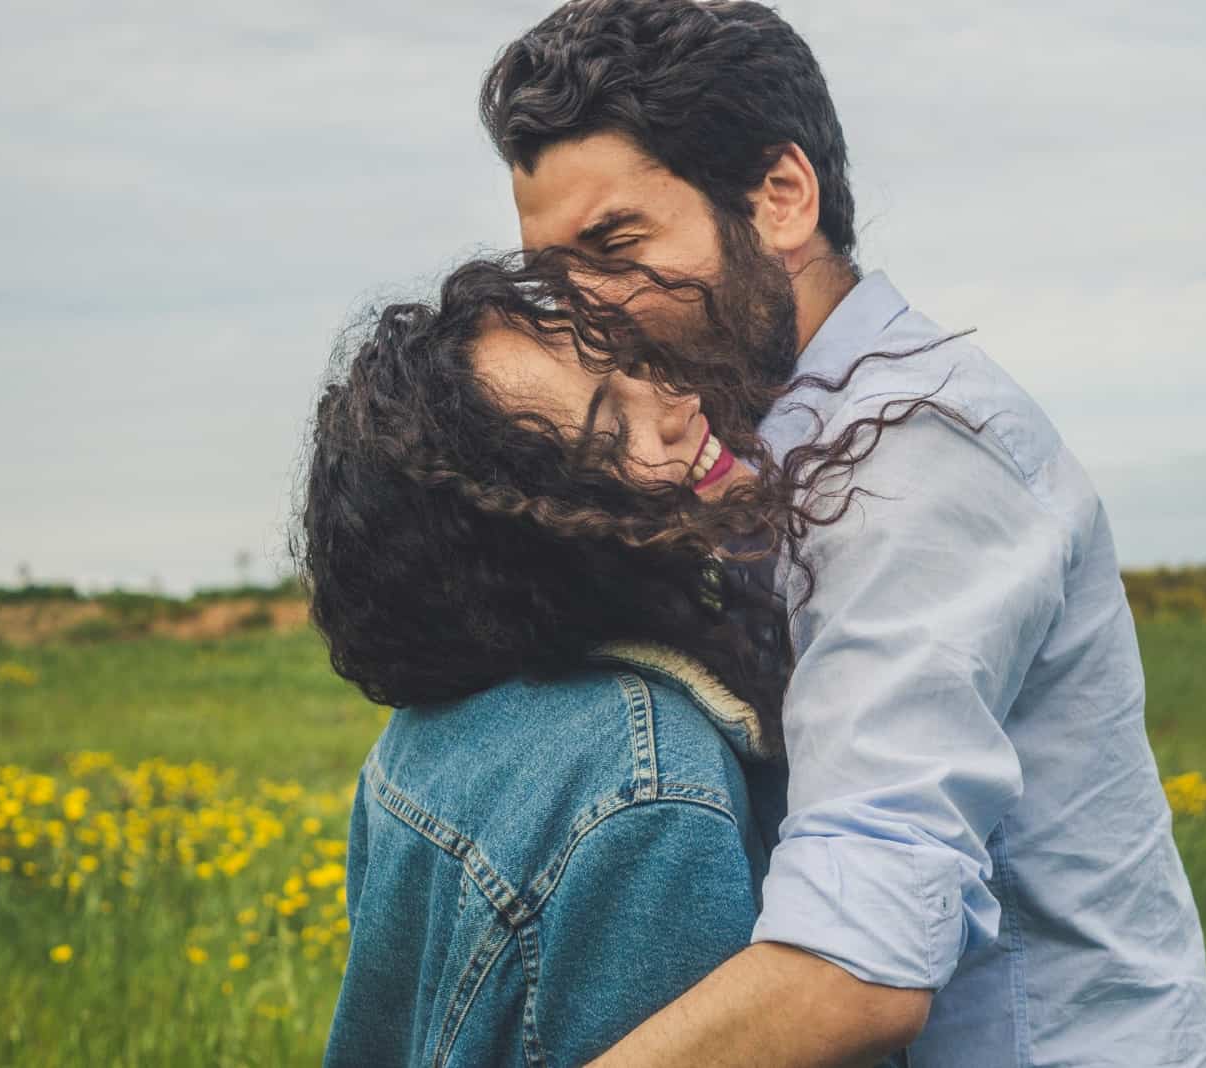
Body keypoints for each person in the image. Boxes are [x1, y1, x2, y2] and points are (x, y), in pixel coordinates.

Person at [478, 2, 1206, 1065]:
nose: (582, 312)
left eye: (616, 244)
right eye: (553, 273)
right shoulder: (752, 434)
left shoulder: (912, 454)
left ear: (781, 198)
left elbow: (859, 965)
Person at [299, 253, 913, 1066]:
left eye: (627, 364)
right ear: (524, 543)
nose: (677, 401)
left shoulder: (423, 738)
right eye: (606, 427)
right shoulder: (649, 787)